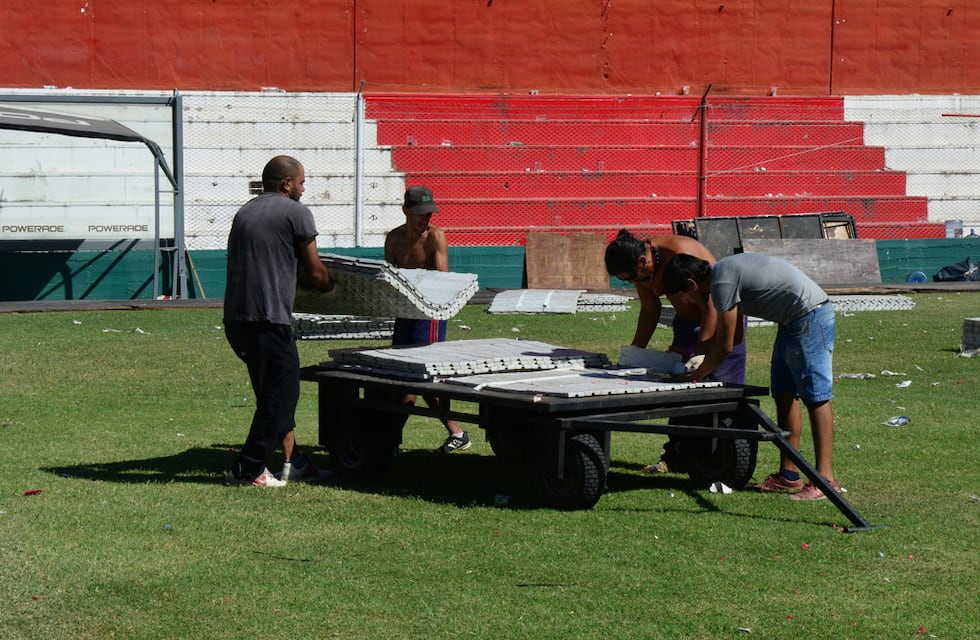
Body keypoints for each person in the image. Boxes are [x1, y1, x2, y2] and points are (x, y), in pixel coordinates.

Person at [663, 252, 839, 501]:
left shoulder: (722, 281)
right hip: (791, 322)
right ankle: (789, 476)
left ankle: (825, 480)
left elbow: (725, 346)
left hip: (810, 315)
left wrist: (696, 375)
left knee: (816, 396)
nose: (687, 303)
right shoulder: (724, 274)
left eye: (683, 296)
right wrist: (693, 352)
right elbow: (734, 338)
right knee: (784, 393)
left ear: (692, 284)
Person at [223, 155, 335, 487]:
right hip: (268, 317)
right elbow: (315, 271)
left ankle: (293, 461)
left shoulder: (246, 210)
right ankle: (250, 468)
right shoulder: (296, 212)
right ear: (287, 184)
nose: (303, 188)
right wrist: (330, 286)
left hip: (237, 318)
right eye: (301, 182)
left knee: (272, 393)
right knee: (282, 394)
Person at [604, 229, 747, 472]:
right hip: (686, 324)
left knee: (720, 389)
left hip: (719, 318)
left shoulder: (681, 253)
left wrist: (700, 350)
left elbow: (712, 303)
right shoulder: (642, 271)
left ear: (642, 260)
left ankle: (724, 457)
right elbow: (650, 310)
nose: (633, 284)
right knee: (682, 387)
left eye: (631, 278)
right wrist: (634, 354)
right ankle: (677, 454)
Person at [384, 185, 470, 453]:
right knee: (402, 375)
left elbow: (442, 282)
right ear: (406, 211)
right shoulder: (394, 239)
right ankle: (456, 432)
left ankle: (391, 439)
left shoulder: (436, 237)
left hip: (429, 314)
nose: (426, 218)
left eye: (429, 213)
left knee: (421, 379)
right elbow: (389, 278)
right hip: (405, 313)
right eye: (420, 213)